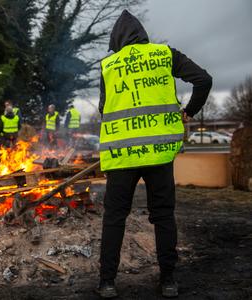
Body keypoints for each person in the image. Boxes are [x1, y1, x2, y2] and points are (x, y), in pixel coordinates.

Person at [97, 10, 212, 298]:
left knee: (114, 218)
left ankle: (107, 282)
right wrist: (188, 111)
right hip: (160, 153)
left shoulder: (109, 65)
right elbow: (204, 80)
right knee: (163, 216)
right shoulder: (164, 54)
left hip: (122, 156)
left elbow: (104, 108)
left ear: (118, 40)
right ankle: (169, 280)